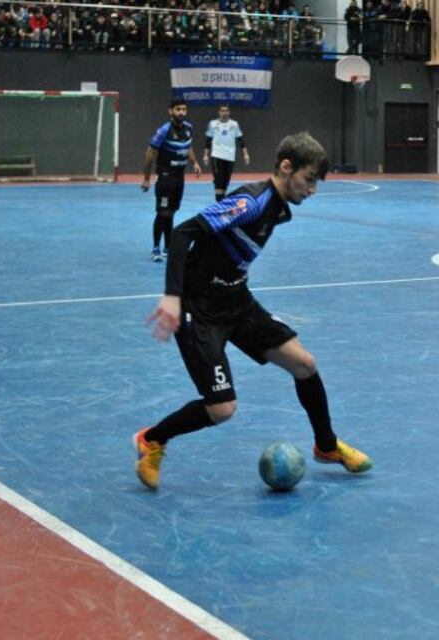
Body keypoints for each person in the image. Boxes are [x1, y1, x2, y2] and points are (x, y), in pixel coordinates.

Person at [134, 132, 373, 490]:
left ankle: (326, 447)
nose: (312, 190)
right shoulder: (251, 202)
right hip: (200, 311)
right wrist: (172, 297)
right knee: (222, 409)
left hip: (237, 301)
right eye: (309, 180)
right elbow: (184, 233)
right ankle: (152, 439)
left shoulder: (279, 209)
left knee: (304, 364)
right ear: (286, 166)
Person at [142, 97, 201, 263]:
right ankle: (156, 248)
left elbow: (188, 146)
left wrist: (194, 162)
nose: (181, 112)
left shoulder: (189, 128)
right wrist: (146, 178)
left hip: (179, 179)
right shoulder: (164, 131)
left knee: (172, 212)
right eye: (178, 109)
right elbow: (149, 153)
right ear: (170, 111)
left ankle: (168, 247)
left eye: (183, 109)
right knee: (162, 213)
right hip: (165, 179)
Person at [203, 104, 251, 202]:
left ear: (229, 112)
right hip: (216, 155)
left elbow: (240, 140)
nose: (224, 113)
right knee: (219, 181)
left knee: (225, 182)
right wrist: (205, 155)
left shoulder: (234, 124)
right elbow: (208, 140)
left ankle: (221, 202)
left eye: (226, 111)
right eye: (222, 111)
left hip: (230, 157)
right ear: (219, 112)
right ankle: (219, 204)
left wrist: (245, 154)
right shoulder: (213, 124)